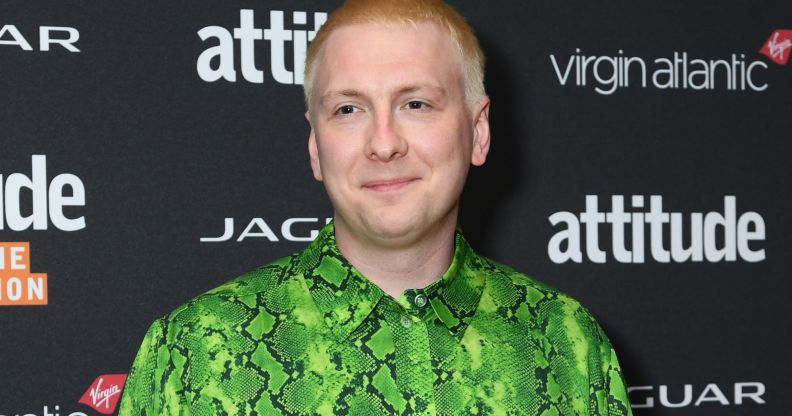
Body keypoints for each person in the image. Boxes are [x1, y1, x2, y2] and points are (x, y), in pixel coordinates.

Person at [118, 0, 633, 414]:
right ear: (316, 146)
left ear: (478, 132)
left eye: (415, 104)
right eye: (348, 109)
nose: (383, 143)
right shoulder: (193, 353)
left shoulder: (568, 344)